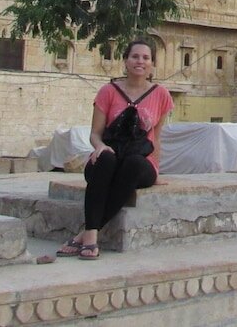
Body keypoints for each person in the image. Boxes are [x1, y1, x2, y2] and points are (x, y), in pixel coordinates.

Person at [57, 39, 173, 260]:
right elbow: (95, 133)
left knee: (134, 163)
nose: (140, 61)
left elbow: (156, 138)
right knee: (106, 160)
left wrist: (156, 170)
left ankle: (87, 233)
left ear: (152, 64)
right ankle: (91, 236)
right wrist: (100, 147)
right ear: (125, 60)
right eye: (135, 56)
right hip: (110, 156)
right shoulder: (108, 91)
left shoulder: (161, 94)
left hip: (139, 162)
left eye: (146, 58)